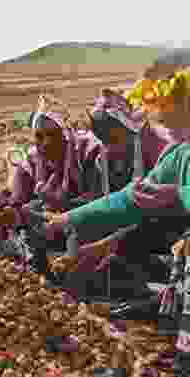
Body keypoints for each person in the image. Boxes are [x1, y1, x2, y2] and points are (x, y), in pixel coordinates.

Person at [46, 52, 190, 372]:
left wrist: (177, 194)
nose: (159, 115)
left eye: (168, 104)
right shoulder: (178, 152)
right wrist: (70, 218)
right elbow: (130, 200)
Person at [0, 94, 107, 282]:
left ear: (65, 134)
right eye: (39, 137)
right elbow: (17, 204)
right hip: (45, 228)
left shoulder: (87, 152)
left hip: (81, 225)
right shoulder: (30, 163)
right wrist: (13, 213)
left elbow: (98, 201)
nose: (46, 142)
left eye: (53, 135)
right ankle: (40, 279)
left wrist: (61, 210)